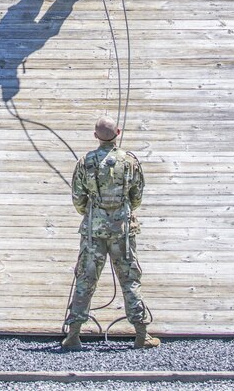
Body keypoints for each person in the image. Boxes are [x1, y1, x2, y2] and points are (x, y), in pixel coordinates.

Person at [62, 117, 160, 351]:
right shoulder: (130, 161)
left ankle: (73, 334)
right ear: (118, 132)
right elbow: (137, 196)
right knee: (130, 280)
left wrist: (93, 213)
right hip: (123, 232)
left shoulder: (85, 162)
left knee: (85, 280)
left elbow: (78, 198)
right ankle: (141, 334)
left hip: (93, 231)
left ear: (96, 136)